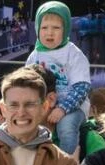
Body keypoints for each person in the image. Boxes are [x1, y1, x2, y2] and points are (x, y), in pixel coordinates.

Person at [26, 1, 91, 156]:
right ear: (37, 29)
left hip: (72, 108)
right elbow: (24, 85)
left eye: (56, 28)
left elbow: (82, 87)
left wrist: (62, 109)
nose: (49, 33)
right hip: (43, 106)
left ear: (66, 29)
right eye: (44, 28)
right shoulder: (34, 55)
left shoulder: (73, 54)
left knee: (66, 128)